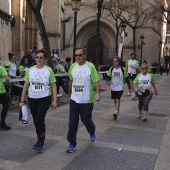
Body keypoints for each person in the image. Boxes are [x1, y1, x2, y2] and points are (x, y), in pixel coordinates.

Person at [19, 49, 57, 154]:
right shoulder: (30, 70)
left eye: (41, 57)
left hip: (45, 97)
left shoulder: (48, 70)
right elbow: (26, 85)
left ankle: (41, 142)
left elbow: (53, 85)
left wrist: (54, 100)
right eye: (37, 57)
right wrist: (22, 100)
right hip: (32, 98)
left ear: (44, 59)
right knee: (36, 120)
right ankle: (39, 139)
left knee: (40, 118)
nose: (38, 59)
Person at [66, 48, 100, 153]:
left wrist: (97, 93)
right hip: (74, 100)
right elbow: (70, 82)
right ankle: (72, 143)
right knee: (72, 123)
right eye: (76, 55)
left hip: (86, 101)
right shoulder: (72, 67)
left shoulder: (90, 67)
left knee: (86, 120)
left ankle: (92, 130)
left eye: (80, 55)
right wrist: (69, 96)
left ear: (84, 55)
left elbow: (96, 81)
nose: (78, 57)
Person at [0, 66, 11, 130]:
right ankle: (2, 124)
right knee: (6, 106)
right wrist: (6, 83)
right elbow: (7, 79)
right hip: (1, 91)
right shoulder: (1, 68)